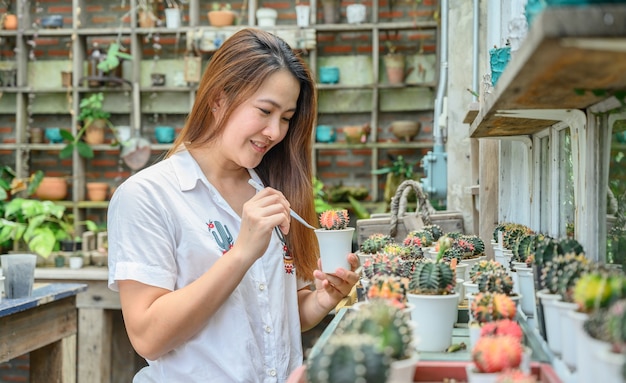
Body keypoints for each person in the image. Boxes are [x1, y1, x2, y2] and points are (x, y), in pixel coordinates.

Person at [107, 28, 359, 382]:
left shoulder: (272, 191)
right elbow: (148, 337)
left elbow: (281, 317)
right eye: (265, 111)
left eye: (286, 118)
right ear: (218, 99)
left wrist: (320, 300)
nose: (275, 131)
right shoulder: (148, 195)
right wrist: (241, 253)